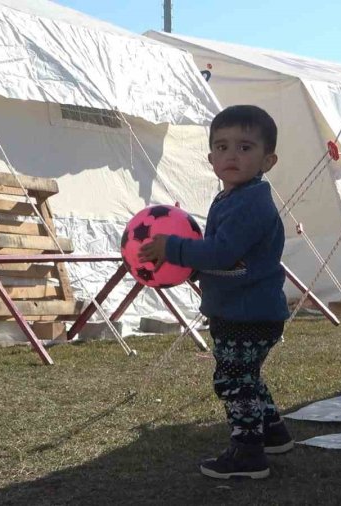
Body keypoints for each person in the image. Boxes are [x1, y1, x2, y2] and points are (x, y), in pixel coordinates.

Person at [139, 105, 293, 480]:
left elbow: (223, 252)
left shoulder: (251, 202)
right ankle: (272, 433)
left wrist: (172, 248)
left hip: (248, 314)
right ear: (210, 158)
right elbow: (224, 258)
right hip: (243, 310)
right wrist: (189, 266)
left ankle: (248, 454)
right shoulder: (232, 197)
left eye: (244, 147)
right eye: (222, 147)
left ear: (267, 160)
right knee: (248, 376)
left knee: (232, 380)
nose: (231, 155)